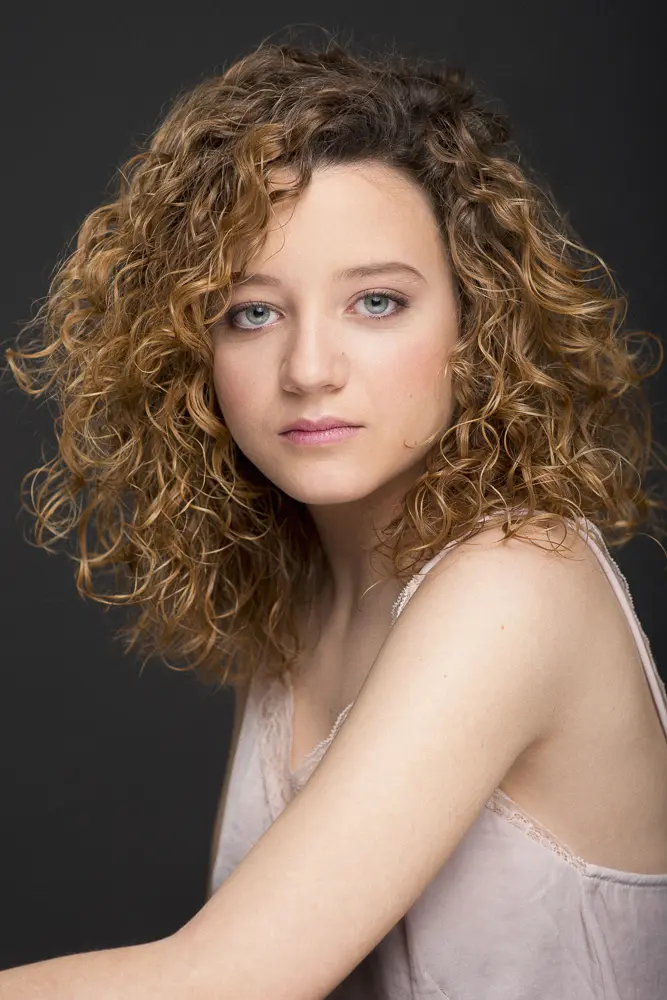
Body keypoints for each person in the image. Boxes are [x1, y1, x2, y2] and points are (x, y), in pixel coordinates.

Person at [2, 32, 667, 1000]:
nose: (310, 368)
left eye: (377, 301)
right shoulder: (306, 593)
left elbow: (226, 980)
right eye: (252, 312)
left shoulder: (519, 580)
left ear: (476, 321)